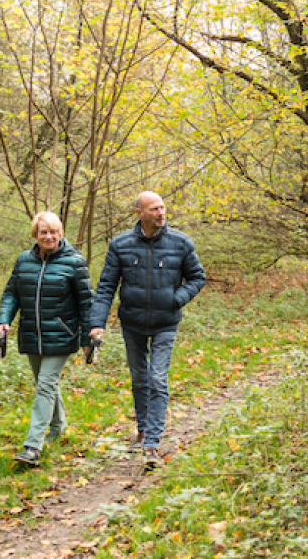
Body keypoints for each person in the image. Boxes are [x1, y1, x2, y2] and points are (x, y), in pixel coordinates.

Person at [89, 191, 205, 467]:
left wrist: (176, 299)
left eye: (162, 208)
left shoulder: (181, 242)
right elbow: (106, 287)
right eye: (154, 209)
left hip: (166, 322)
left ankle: (152, 443)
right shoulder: (120, 245)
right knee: (140, 377)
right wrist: (97, 324)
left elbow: (197, 277)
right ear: (139, 213)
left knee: (157, 378)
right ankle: (142, 428)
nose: (161, 213)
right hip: (132, 322)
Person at [0, 211, 95, 467]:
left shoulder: (74, 262)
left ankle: (32, 446)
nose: (48, 236)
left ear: (60, 233)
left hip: (62, 334)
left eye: (53, 231)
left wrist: (88, 337)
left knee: (45, 386)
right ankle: (59, 427)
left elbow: (86, 303)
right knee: (45, 384)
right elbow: (11, 293)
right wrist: (4, 319)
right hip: (31, 333)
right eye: (43, 232)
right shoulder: (23, 261)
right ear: (35, 234)